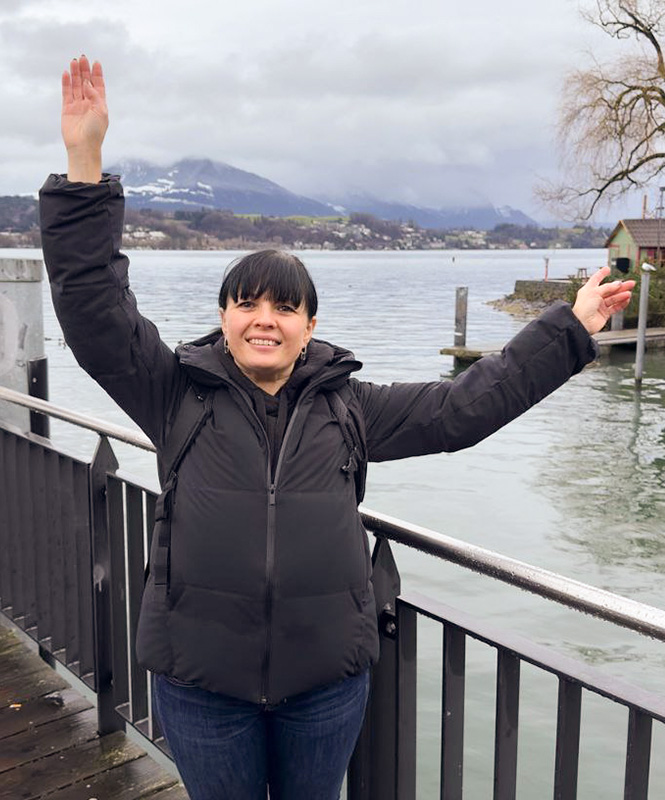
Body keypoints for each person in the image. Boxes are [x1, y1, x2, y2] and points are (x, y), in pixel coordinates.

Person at [39, 56, 634, 800]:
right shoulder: (173, 392)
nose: (265, 320)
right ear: (224, 317)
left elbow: (465, 407)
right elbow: (95, 313)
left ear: (309, 326)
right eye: (248, 304)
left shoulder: (351, 407)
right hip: (202, 683)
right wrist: (85, 164)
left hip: (322, 687)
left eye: (284, 307)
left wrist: (569, 328)